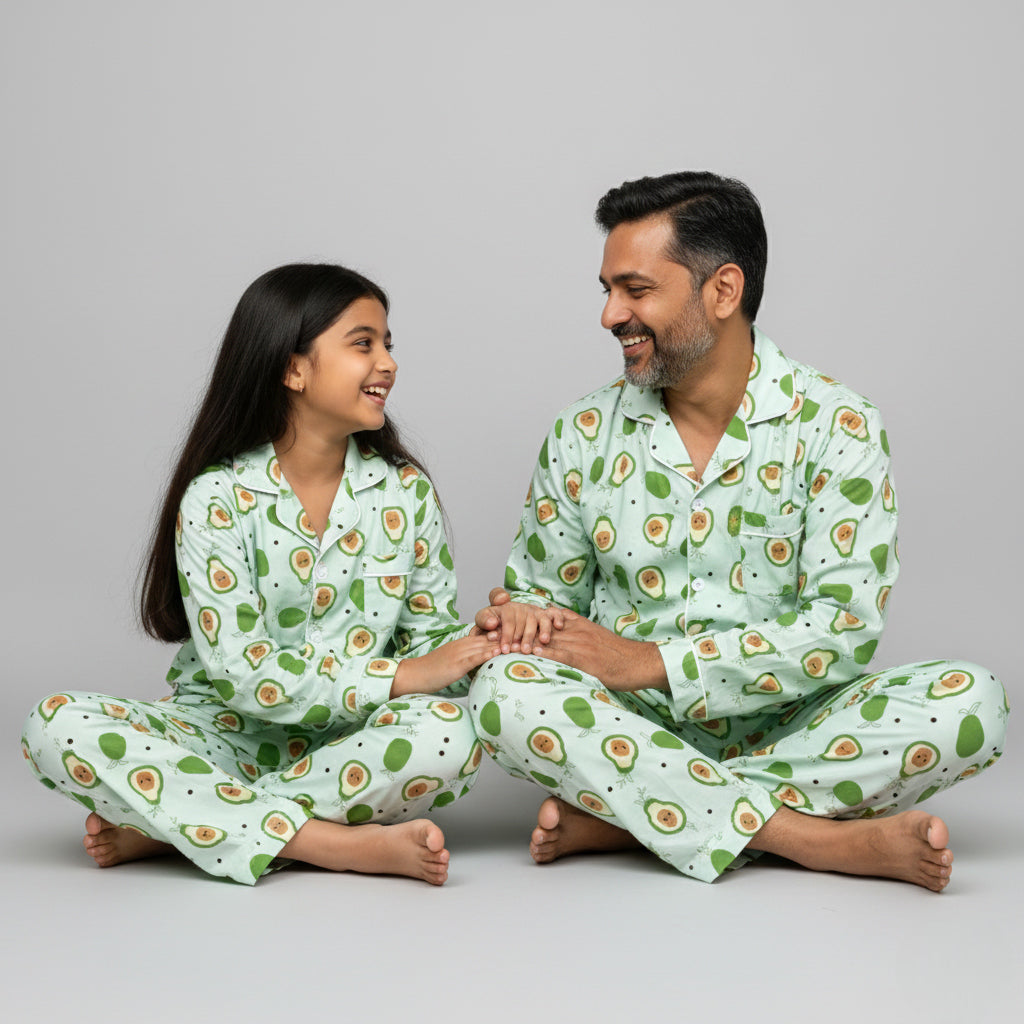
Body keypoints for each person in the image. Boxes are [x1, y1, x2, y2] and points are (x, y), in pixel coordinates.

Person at [472, 171, 1008, 891]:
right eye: (606, 290)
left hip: (792, 726)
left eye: (635, 290)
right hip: (625, 726)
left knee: (973, 701)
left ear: (723, 290)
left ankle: (635, 816)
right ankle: (809, 839)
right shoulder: (582, 432)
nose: (609, 315)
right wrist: (522, 621)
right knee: (502, 690)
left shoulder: (838, 426)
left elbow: (841, 630)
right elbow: (543, 607)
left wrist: (650, 662)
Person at [21, 263, 507, 886]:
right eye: (363, 344)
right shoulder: (217, 498)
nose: (387, 363)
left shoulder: (406, 492)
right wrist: (399, 676)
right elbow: (241, 673)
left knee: (452, 735)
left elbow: (427, 647)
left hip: (347, 745)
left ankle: (180, 823)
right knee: (54, 723)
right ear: (292, 368)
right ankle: (329, 844)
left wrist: (486, 639)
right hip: (220, 736)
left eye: (388, 344)